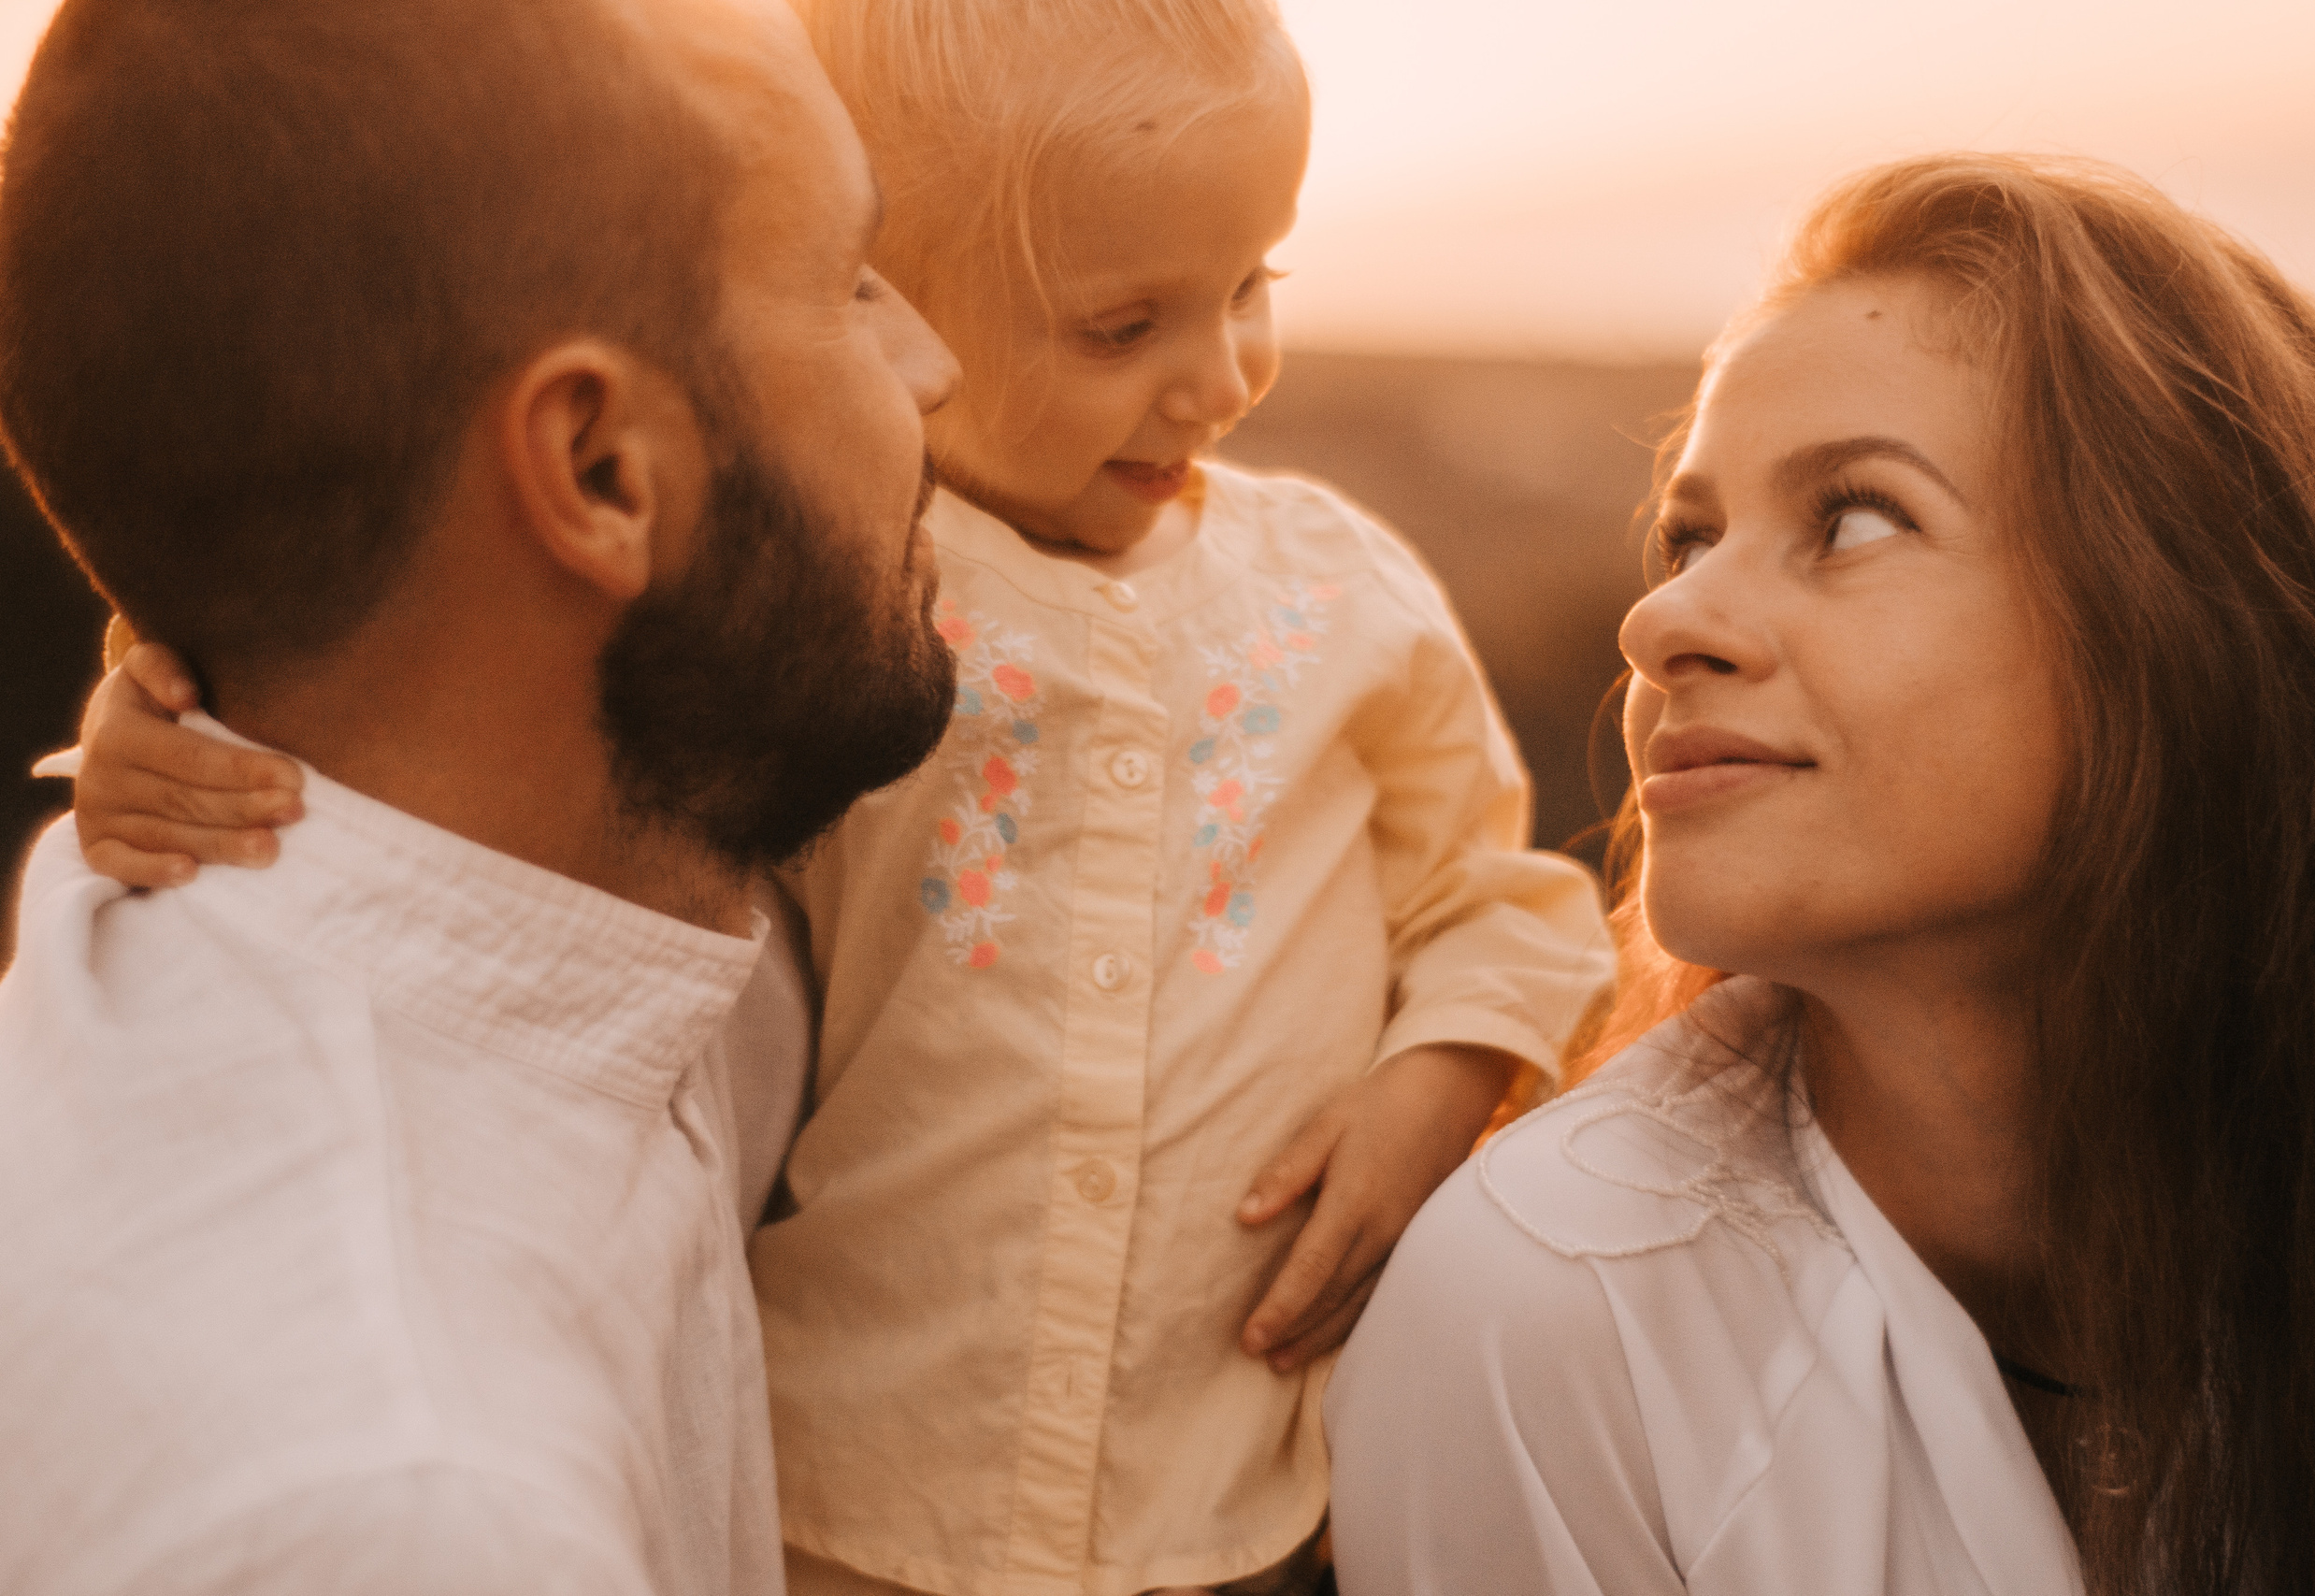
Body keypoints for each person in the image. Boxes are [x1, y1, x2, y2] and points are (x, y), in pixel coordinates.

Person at [57, 2, 1614, 1590]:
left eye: (1253, 287)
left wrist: (1444, 1063)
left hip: (1239, 1503)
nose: (1222, 377)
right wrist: (199, 706)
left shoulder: (1322, 593)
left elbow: (1489, 889)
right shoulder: (844, 621)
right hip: (870, 1511)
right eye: (1116, 325)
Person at [1325, 153, 2315, 1596]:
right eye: (1690, 535)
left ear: (2188, 626)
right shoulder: (1552, 1308)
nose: (1662, 616)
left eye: (1854, 518)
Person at [0, 0, 959, 1590]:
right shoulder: (403, 1503)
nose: (932, 365)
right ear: (597, 472)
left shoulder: (629, 887)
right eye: (850, 281)